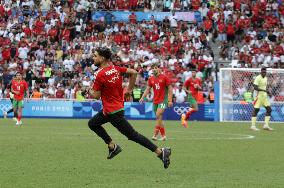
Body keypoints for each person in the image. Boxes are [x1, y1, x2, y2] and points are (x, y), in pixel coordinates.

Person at [87, 47, 171, 169]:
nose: (93, 58)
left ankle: (160, 152)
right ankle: (112, 146)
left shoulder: (100, 74)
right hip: (112, 109)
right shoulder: (115, 69)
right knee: (92, 123)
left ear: (102, 58)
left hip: (112, 112)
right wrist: (129, 90)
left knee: (132, 135)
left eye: (95, 56)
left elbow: (96, 95)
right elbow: (134, 72)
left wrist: (88, 90)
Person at [139, 64, 173, 141]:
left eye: (155, 68)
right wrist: (142, 97)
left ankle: (155, 135)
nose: (154, 69)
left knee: (158, 114)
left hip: (163, 100)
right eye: (152, 68)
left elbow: (170, 89)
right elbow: (147, 89)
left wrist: (170, 100)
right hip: (155, 101)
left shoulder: (164, 77)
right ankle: (164, 136)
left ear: (159, 69)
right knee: (159, 118)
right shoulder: (151, 79)